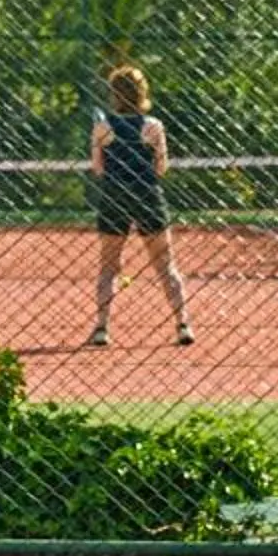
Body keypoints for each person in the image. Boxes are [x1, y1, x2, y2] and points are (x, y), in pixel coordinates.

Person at [86, 63, 193, 348]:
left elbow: (97, 169)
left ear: (114, 94)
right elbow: (161, 168)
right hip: (147, 193)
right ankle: (182, 324)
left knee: (109, 266)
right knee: (165, 265)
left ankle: (101, 328)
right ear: (142, 92)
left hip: (114, 194)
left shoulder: (102, 127)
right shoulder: (154, 126)